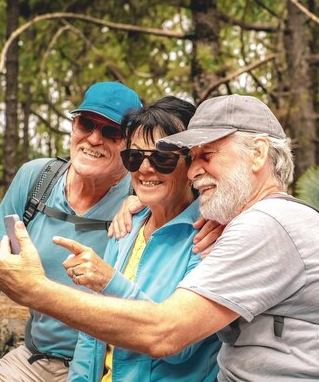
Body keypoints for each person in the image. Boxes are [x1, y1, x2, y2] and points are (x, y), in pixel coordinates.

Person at [0, 94, 319, 381]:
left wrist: (35, 291)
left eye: (207, 155)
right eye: (193, 156)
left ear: (258, 155)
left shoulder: (266, 225)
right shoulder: (240, 224)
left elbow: (166, 334)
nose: (195, 170)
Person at [0, 81, 143, 382]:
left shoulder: (143, 195)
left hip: (109, 370)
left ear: (130, 144)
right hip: (35, 362)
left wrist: (143, 200)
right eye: (86, 124)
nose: (94, 138)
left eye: (111, 132)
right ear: (72, 126)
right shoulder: (36, 180)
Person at [61, 96, 220, 382]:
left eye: (163, 158)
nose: (145, 169)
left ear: (192, 162)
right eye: (134, 157)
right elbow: (91, 333)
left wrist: (110, 282)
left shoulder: (210, 237)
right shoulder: (126, 226)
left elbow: (177, 346)